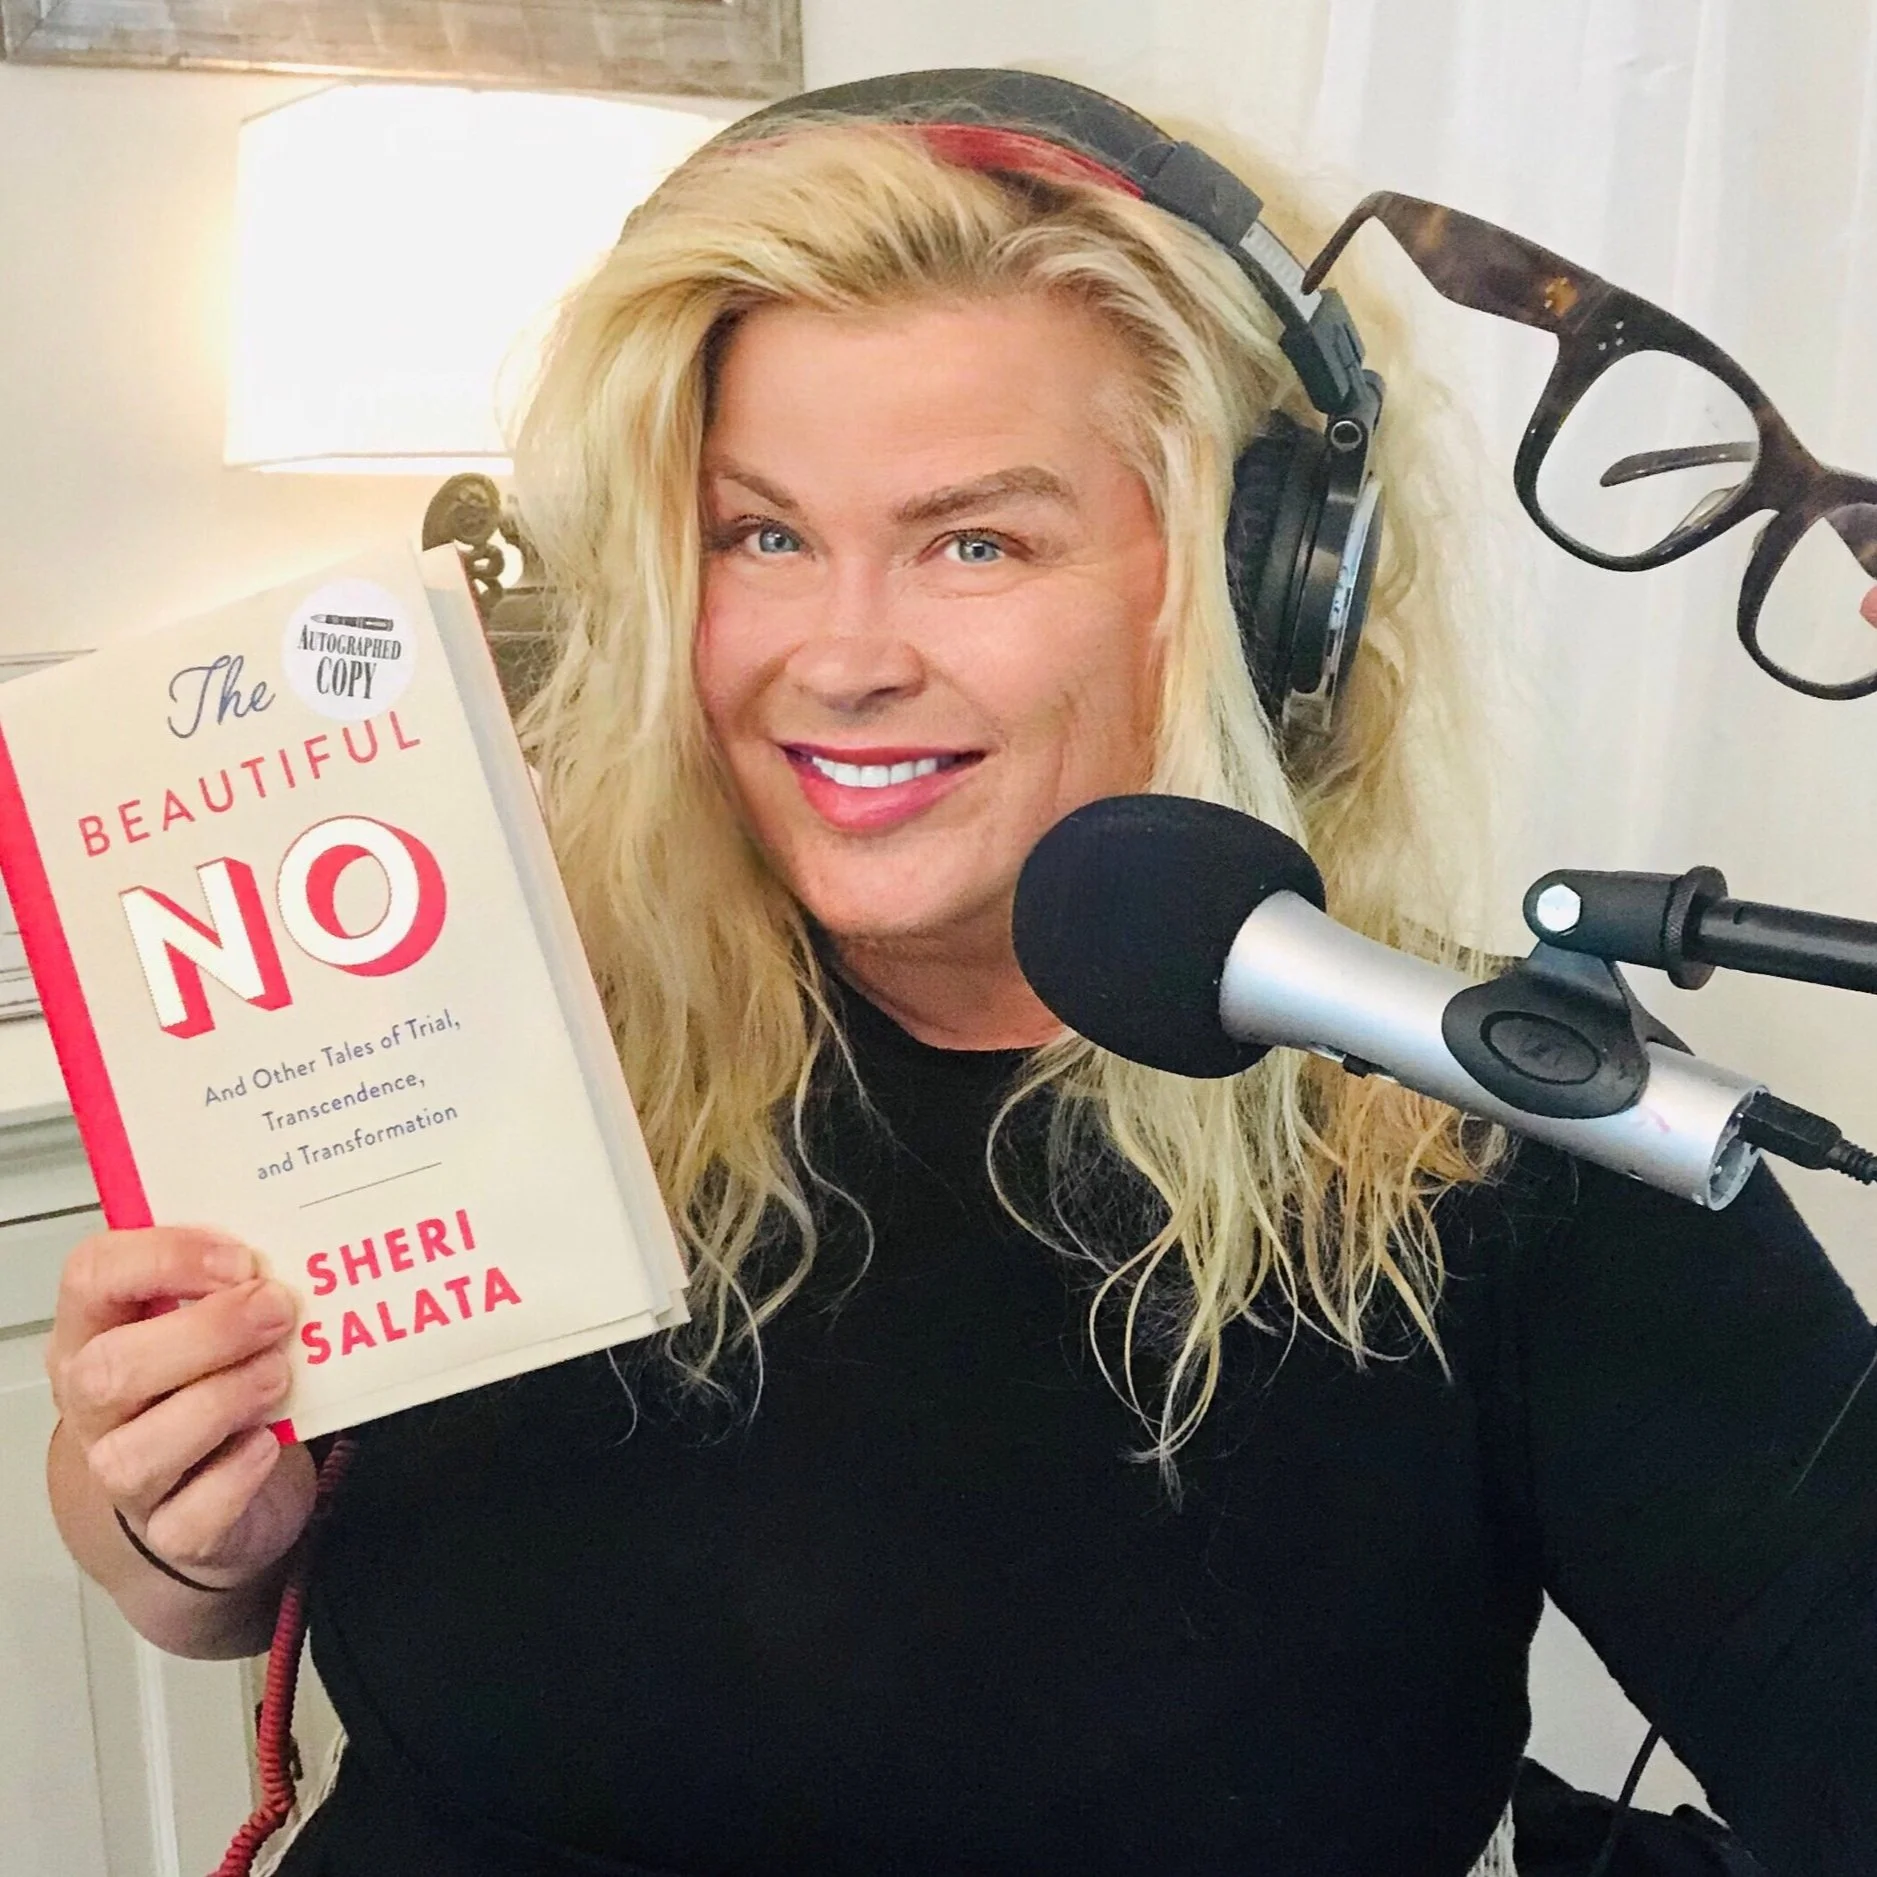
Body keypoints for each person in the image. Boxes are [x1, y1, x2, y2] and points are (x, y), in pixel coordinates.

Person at [40, 70, 1877, 1877]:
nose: (839, 658)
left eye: (974, 541)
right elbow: (227, 1593)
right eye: (763, 534)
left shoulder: (1494, 1121)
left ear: (1254, 586)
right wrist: (187, 1524)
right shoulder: (471, 1024)